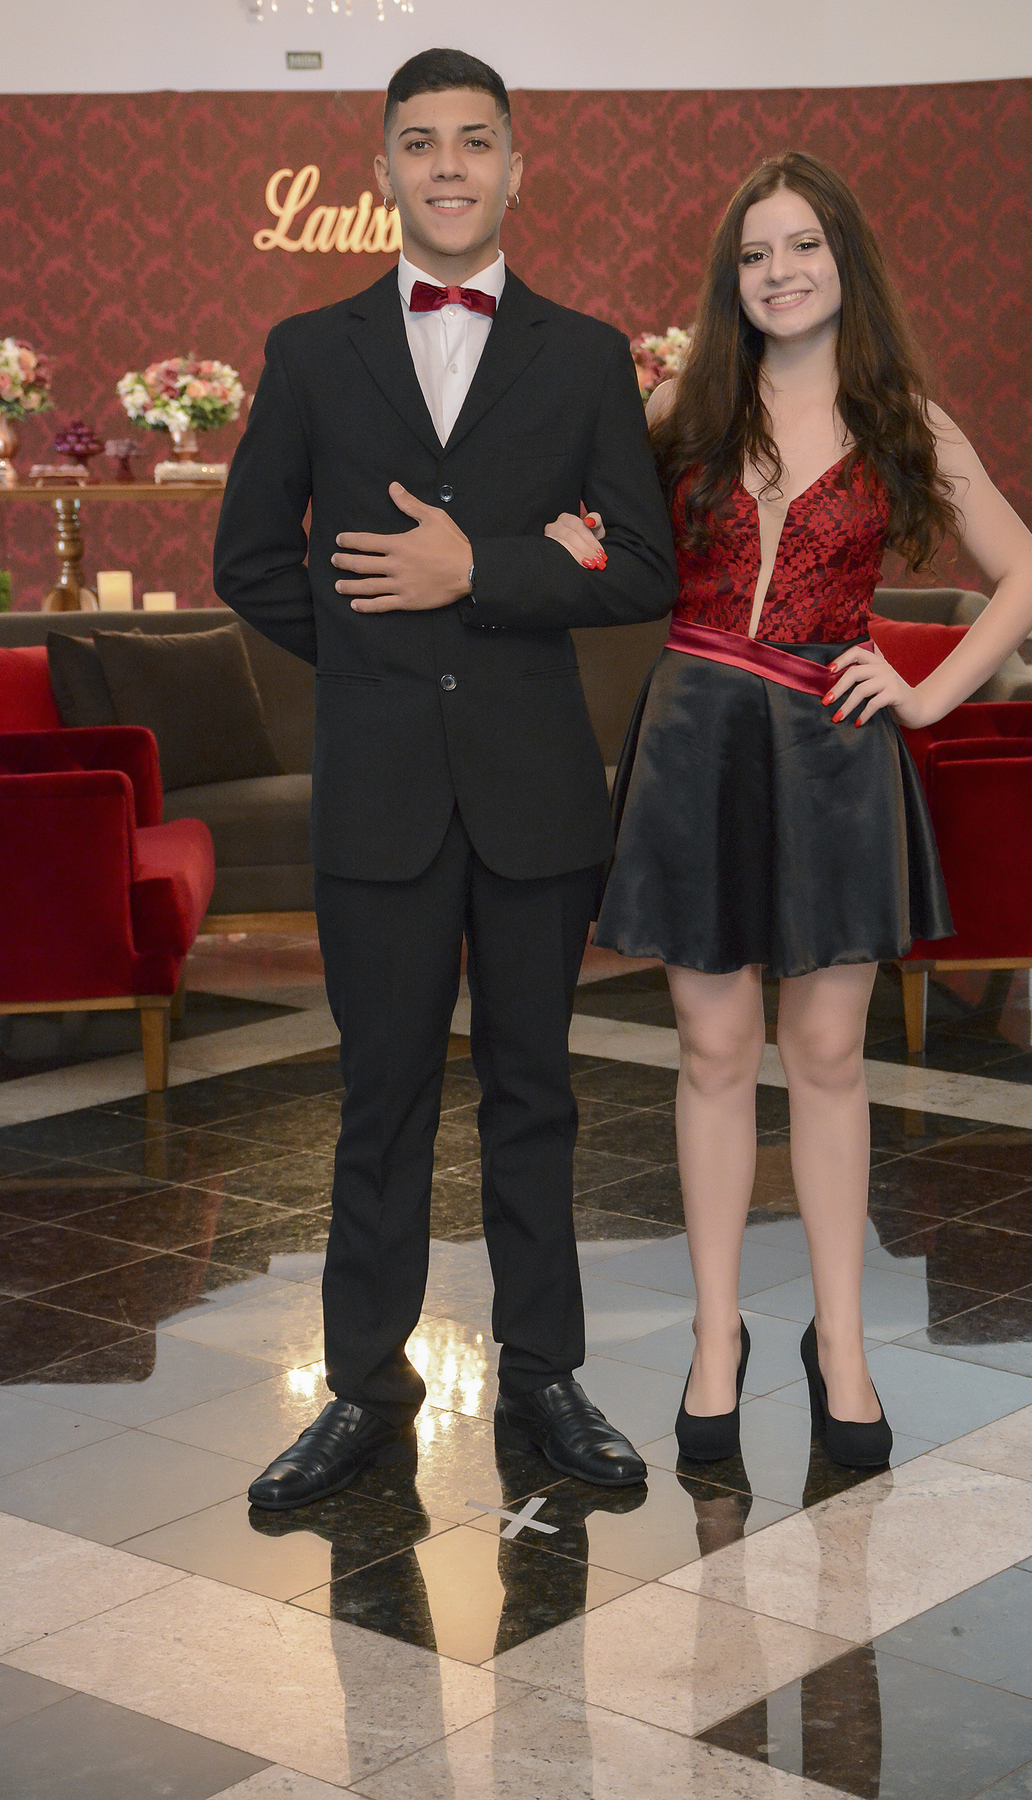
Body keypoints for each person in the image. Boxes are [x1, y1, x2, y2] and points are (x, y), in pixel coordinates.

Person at [213, 48, 676, 1508]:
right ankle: (364, 1388)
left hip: (536, 792)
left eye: (476, 141)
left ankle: (545, 1376)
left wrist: (482, 572)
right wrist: (375, 652)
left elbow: (643, 569)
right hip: (381, 792)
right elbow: (249, 560)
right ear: (384, 172)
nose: (450, 166)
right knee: (381, 1099)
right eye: (421, 143)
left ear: (516, 167)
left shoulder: (587, 354)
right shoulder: (310, 349)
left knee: (536, 1094)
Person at [592, 151, 1032, 1468]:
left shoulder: (903, 417)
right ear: (730, 278)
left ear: (844, 260)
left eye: (802, 246)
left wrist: (927, 690)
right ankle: (716, 1337)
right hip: (694, 741)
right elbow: (602, 539)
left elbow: (1026, 574)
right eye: (755, 253)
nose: (779, 271)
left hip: (833, 750)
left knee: (832, 1051)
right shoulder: (680, 404)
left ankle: (840, 1344)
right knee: (711, 1047)